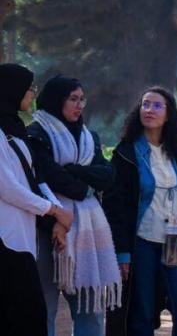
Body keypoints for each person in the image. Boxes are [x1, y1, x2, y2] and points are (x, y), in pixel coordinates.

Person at [103, 86, 177, 336]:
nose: (149, 110)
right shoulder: (125, 154)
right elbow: (114, 207)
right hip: (141, 243)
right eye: (145, 104)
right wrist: (122, 253)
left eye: (157, 105)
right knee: (141, 314)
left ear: (169, 114)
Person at [27, 74, 119, 336]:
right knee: (44, 308)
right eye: (73, 99)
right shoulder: (35, 135)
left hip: (86, 234)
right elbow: (47, 175)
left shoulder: (90, 138)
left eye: (82, 99)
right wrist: (85, 185)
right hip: (46, 229)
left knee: (90, 310)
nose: (79, 105)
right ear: (57, 100)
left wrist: (73, 170)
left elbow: (108, 175)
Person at [0, 63, 73, 336]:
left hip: (22, 239)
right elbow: (7, 187)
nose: (32, 93)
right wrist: (53, 210)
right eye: (28, 87)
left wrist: (59, 215)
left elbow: (34, 178)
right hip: (6, 239)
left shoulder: (15, 129)